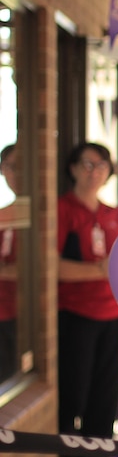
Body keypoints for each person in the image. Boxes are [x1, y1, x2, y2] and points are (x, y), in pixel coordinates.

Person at [57, 142, 118, 457]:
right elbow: (49, 266)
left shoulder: (115, 215)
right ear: (72, 168)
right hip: (76, 317)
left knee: (105, 399)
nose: (94, 172)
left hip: (114, 318)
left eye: (101, 166)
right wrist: (99, 270)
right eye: (87, 164)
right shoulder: (61, 210)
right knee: (73, 397)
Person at [0, 144, 20, 382]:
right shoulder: (3, 215)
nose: (16, 173)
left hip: (28, 316)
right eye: (10, 167)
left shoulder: (45, 214)